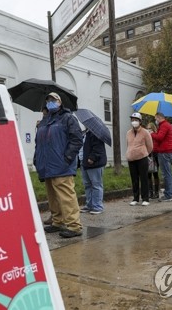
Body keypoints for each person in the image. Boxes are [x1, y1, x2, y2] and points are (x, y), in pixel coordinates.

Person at [34, 92, 83, 238]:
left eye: (53, 100)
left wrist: (67, 158)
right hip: (47, 166)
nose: (50, 102)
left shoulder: (68, 118)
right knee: (52, 196)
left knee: (66, 196)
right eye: (48, 100)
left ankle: (74, 226)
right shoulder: (44, 120)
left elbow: (77, 139)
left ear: (60, 102)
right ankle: (57, 221)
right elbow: (39, 144)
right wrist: (37, 159)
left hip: (62, 165)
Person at [126, 112, 153, 206]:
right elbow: (128, 144)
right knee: (134, 179)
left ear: (140, 121)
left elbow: (150, 146)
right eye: (132, 120)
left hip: (142, 158)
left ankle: (145, 198)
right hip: (131, 158)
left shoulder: (145, 132)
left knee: (144, 178)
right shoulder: (128, 133)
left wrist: (144, 153)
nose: (134, 122)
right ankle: (135, 198)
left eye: (136, 120)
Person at [79, 129, 107, 215]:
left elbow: (98, 148)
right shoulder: (85, 133)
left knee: (96, 185)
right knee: (87, 185)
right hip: (84, 162)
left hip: (94, 163)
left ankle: (97, 206)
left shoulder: (96, 132)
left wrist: (92, 157)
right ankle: (89, 205)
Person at [150, 112, 172, 201]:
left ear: (159, 117)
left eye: (156, 118)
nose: (155, 120)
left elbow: (160, 137)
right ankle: (169, 193)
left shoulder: (164, 125)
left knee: (166, 174)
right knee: (168, 173)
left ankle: (168, 195)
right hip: (167, 151)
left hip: (165, 152)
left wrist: (151, 134)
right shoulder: (166, 125)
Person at [146, 122, 160, 199]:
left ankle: (156, 192)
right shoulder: (146, 136)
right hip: (147, 156)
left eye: (150, 128)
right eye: (147, 128)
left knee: (155, 173)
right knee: (148, 174)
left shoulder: (155, 136)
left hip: (155, 156)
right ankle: (150, 192)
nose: (148, 130)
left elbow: (157, 145)